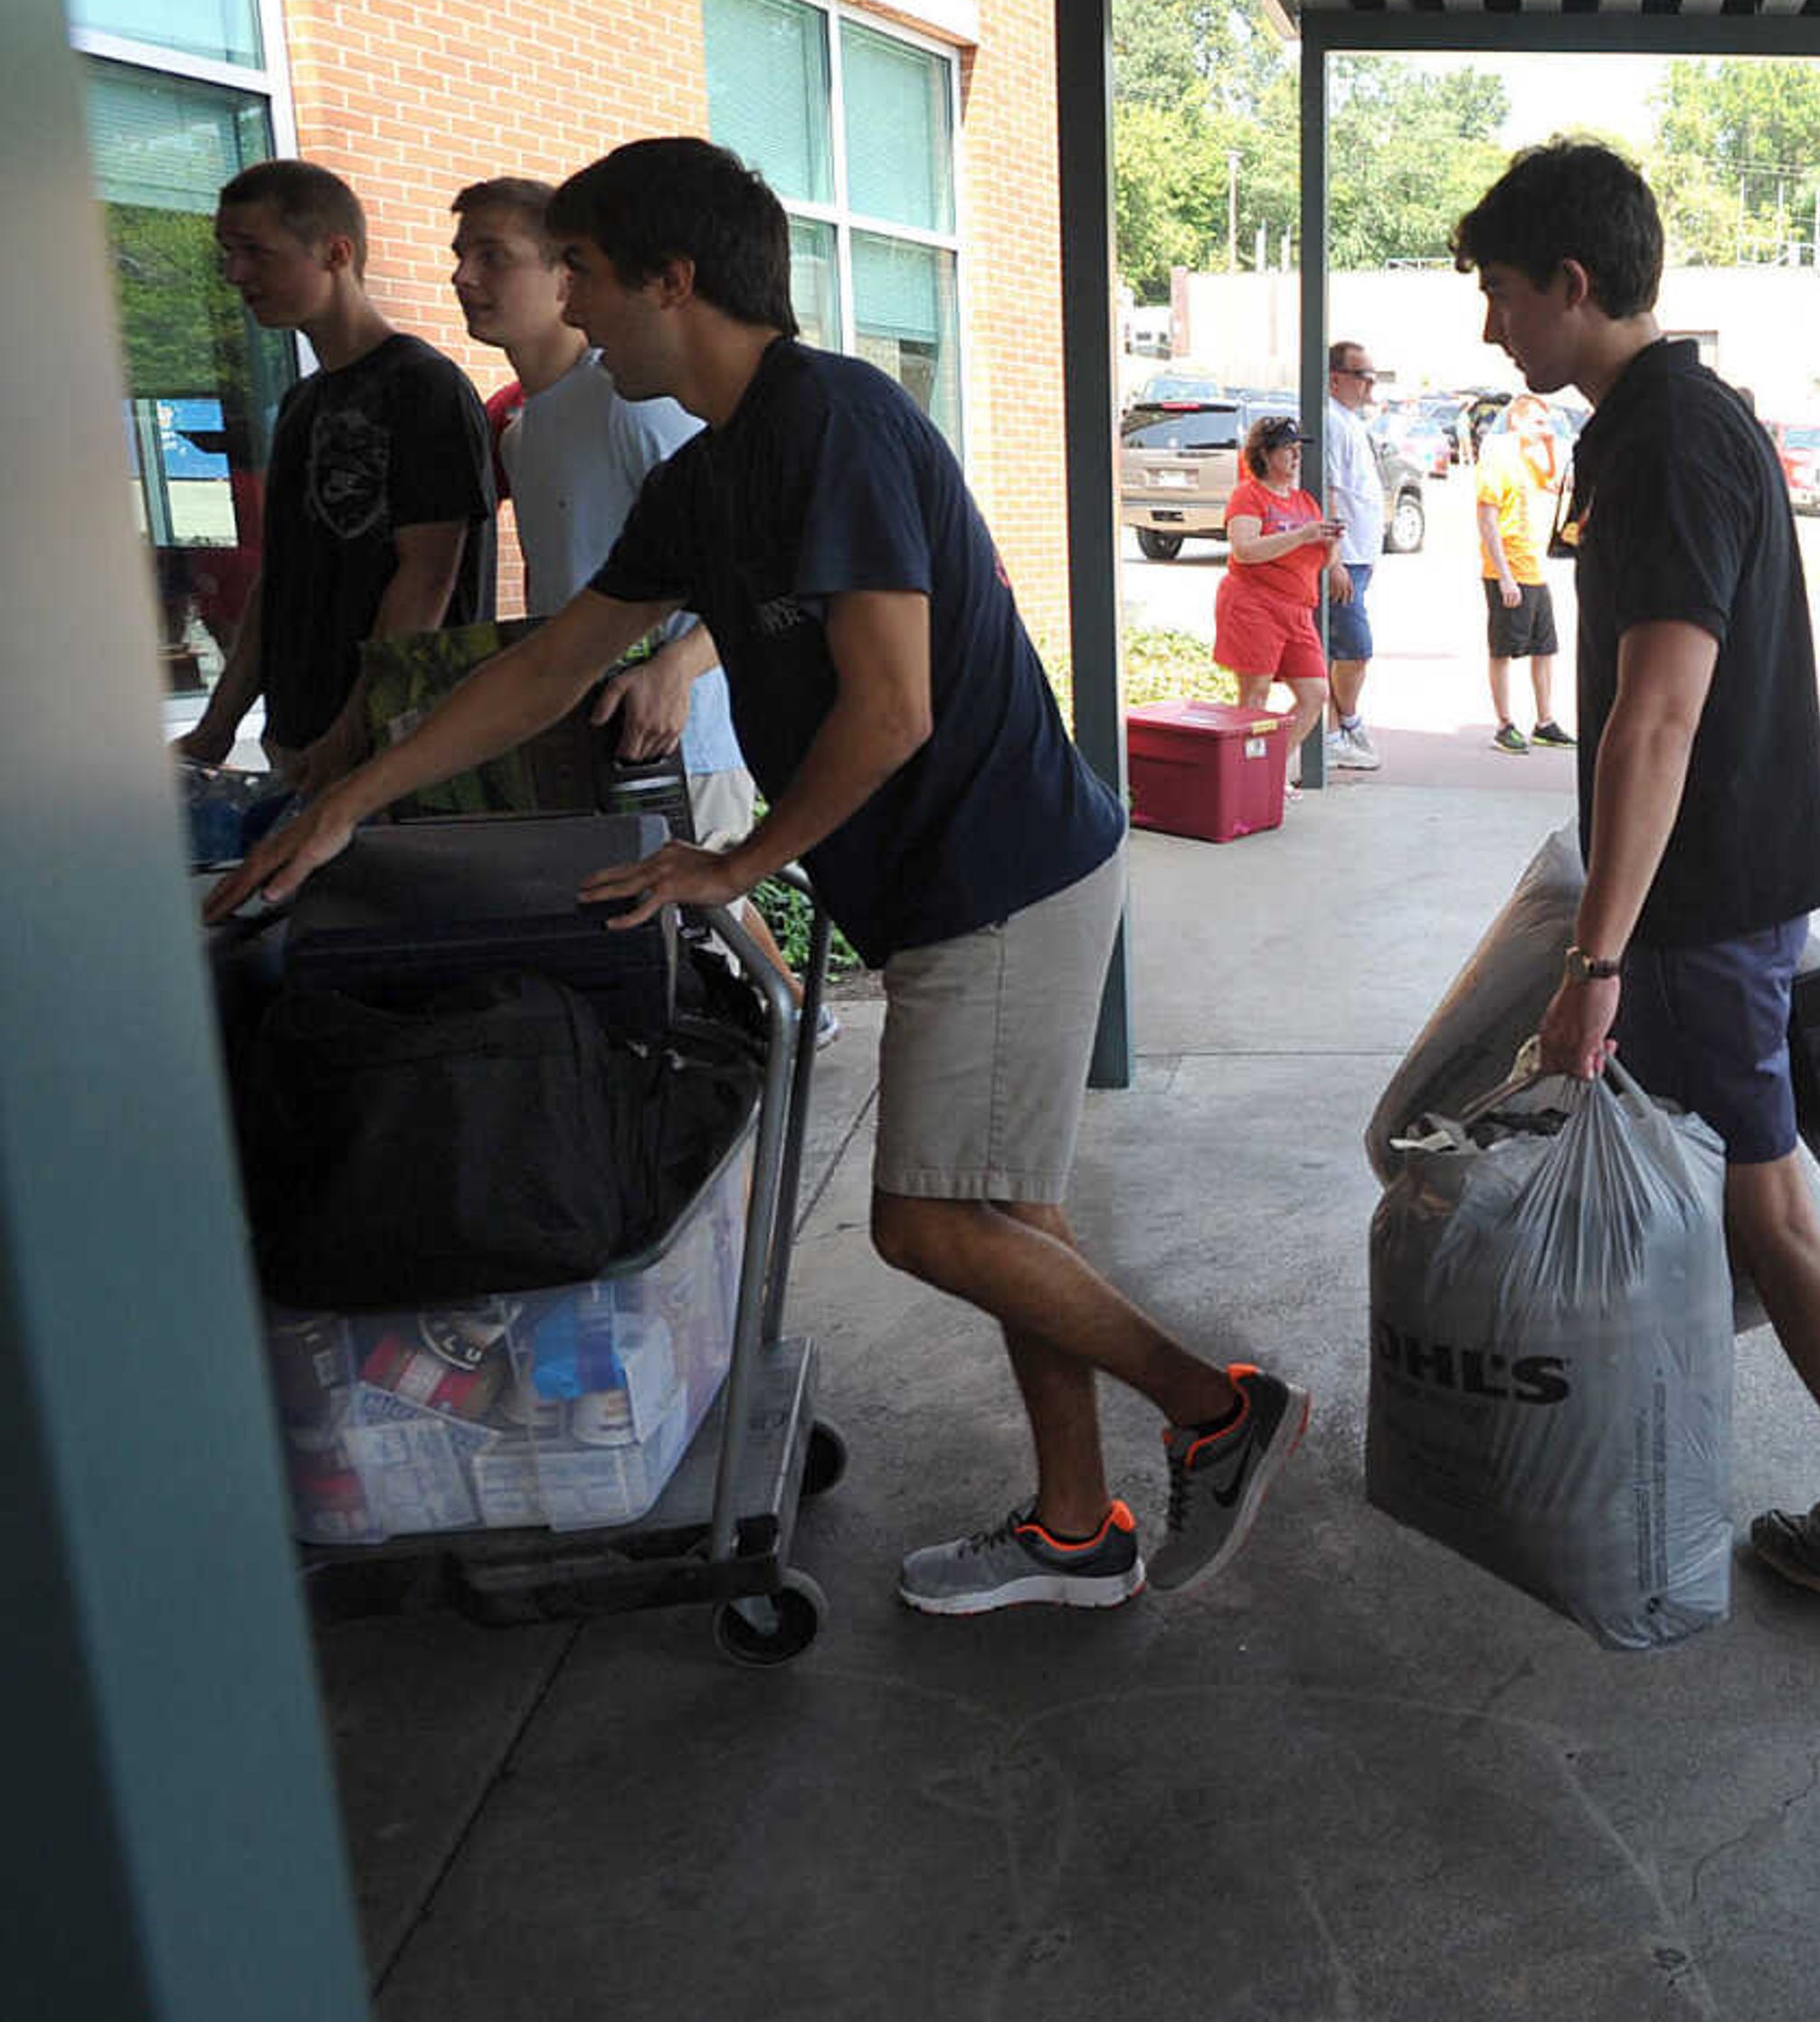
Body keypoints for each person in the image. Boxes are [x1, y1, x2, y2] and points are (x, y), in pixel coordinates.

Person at [210, 137, 1307, 1619]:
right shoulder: (713, 475)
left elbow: (893, 704)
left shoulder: (833, 420)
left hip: (1002, 876)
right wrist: (353, 798)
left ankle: (1221, 1413)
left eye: (588, 274)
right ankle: (1074, 1527)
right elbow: (551, 662)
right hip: (945, 888)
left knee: (928, 1221)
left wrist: (737, 858)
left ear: (676, 276)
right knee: (1002, 1216)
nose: (575, 311)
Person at [1458, 138, 1820, 1602]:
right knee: (1716, 1200)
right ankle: (1700, 1452)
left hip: (1700, 912)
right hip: (1719, 895)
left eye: (1501, 293)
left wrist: (1595, 958)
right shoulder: (1663, 421)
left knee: (1763, 1207)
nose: (1491, 326)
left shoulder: (1670, 435)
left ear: (1572, 282)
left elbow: (1660, 710)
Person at [446, 176, 813, 1025]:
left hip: (685, 735)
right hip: (589, 730)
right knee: (658, 952)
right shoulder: (526, 428)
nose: (464, 277)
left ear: (565, 277)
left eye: (492, 256)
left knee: (714, 959)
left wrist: (681, 666)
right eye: (460, 257)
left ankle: (788, 1041)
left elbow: (766, 566)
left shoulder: (637, 404)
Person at [174, 160, 490, 793]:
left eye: (255, 252)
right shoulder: (299, 404)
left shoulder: (425, 387)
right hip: (301, 743)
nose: (236, 274)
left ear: (335, 252)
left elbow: (427, 579)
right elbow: (277, 582)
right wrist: (217, 727)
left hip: (401, 752)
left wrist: (352, 739)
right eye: (228, 254)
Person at [1215, 413, 1338, 774]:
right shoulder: (1249, 496)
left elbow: (1320, 563)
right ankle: (1244, 778)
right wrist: (1302, 535)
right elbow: (1245, 549)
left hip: (1297, 608)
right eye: (1287, 449)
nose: (1296, 457)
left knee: (1315, 694)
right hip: (1254, 603)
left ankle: (1269, 770)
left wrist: (1330, 545)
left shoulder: (1304, 502)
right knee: (1256, 694)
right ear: (1265, 455)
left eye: (1298, 449)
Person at [1474, 392, 1571, 753]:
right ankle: (1504, 722)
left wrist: (1547, 446)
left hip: (1534, 568)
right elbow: (1487, 520)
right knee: (1503, 648)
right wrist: (1504, 576)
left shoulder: (1530, 459)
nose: (1544, 430)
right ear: (1517, 422)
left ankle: (1545, 721)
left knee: (1544, 648)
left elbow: (1556, 484)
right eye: (1538, 423)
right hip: (1509, 567)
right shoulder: (1497, 460)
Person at [1321, 338, 1386, 771]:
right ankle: (1348, 724)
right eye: (1362, 375)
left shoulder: (1349, 421)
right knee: (1355, 650)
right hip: (1345, 560)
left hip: (1361, 557)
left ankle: (1332, 734)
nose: (1369, 384)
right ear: (1335, 379)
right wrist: (1335, 559)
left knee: (1340, 648)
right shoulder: (1330, 421)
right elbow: (1327, 491)